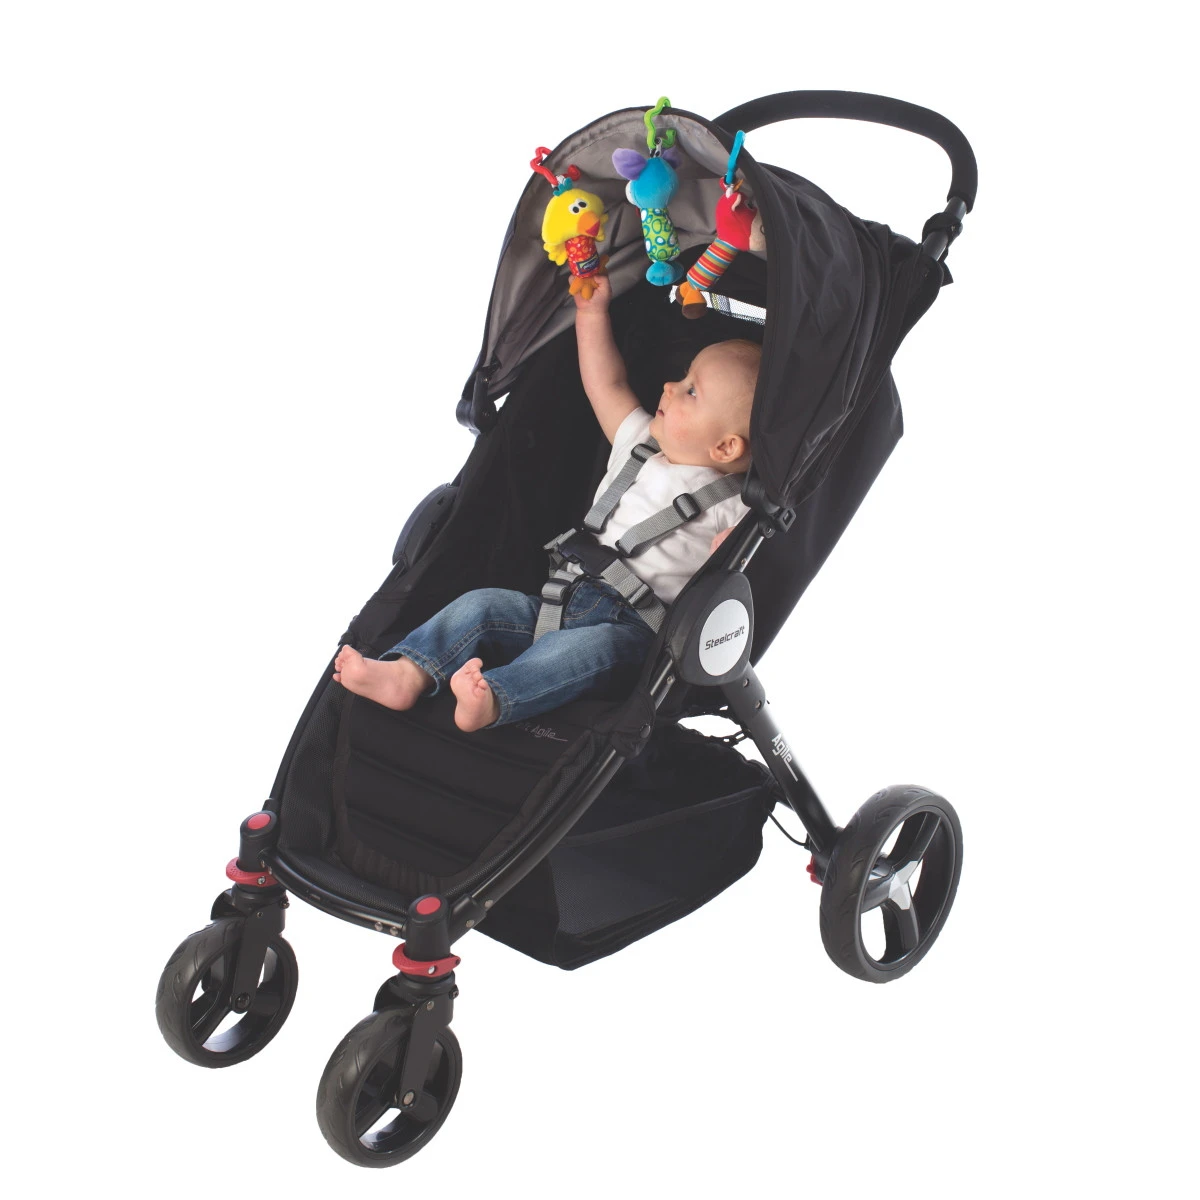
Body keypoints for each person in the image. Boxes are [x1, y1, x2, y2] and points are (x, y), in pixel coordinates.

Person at [334, 275, 759, 731]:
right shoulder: (639, 443)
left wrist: (725, 558)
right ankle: (408, 672)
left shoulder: (733, 503)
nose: (670, 386)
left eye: (691, 391)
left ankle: (494, 698)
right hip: (558, 599)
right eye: (683, 377)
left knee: (575, 652)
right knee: (480, 606)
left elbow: (736, 565)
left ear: (726, 447)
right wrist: (591, 314)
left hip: (630, 631)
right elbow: (607, 383)